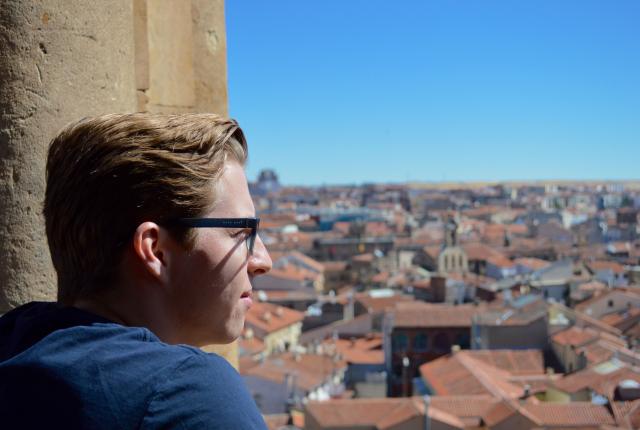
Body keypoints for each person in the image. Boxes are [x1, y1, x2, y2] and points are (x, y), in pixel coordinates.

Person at [0, 113, 272, 429]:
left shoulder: (12, 345)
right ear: (154, 250)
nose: (263, 260)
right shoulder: (186, 396)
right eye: (241, 233)